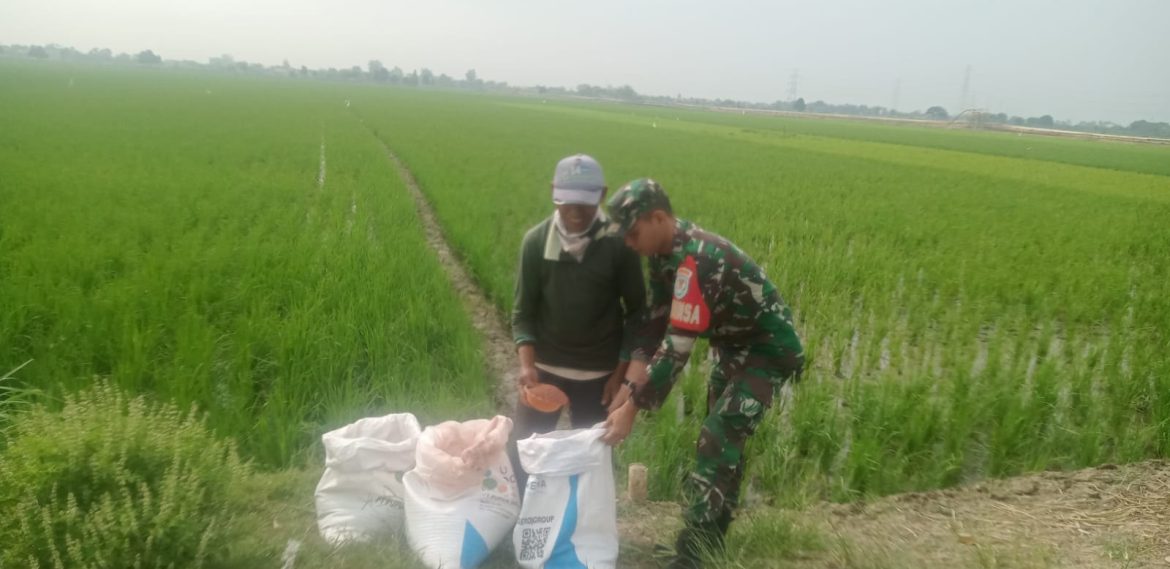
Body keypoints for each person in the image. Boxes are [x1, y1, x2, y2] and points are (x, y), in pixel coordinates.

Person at [602, 178, 804, 569]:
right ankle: (712, 542)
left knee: (717, 435)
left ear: (658, 217)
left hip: (768, 349)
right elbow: (655, 324)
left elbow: (679, 344)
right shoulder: (662, 257)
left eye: (633, 233)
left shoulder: (699, 258)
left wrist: (631, 411)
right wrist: (628, 389)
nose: (629, 243)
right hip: (734, 346)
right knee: (723, 441)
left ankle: (693, 553)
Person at [508, 154, 646, 493]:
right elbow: (523, 312)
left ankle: (588, 531)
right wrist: (527, 367)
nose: (575, 211)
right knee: (524, 452)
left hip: (600, 378)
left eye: (584, 203)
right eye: (567, 201)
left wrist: (619, 375)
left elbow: (638, 312)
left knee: (596, 461)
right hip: (546, 371)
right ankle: (521, 524)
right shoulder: (536, 243)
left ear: (602, 195)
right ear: (554, 192)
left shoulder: (618, 244)